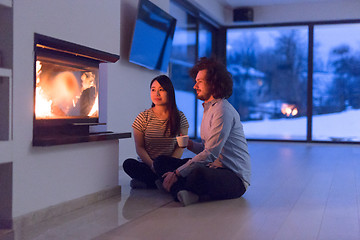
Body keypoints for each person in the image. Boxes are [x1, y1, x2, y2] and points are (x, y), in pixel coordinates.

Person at [153, 57, 251, 206]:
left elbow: (210, 154)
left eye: (199, 82)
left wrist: (178, 173)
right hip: (212, 167)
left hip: (233, 177)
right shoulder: (209, 108)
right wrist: (190, 144)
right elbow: (206, 149)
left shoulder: (222, 110)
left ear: (213, 83)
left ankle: (174, 186)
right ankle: (184, 191)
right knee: (161, 161)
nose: (194, 86)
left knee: (196, 174)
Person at [123, 75, 189, 189]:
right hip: (148, 165)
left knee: (190, 162)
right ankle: (160, 181)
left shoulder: (180, 117)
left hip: (169, 164)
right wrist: (153, 165)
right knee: (128, 164)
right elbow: (139, 148)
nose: (156, 94)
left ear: (170, 92)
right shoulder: (143, 117)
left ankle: (150, 182)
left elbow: (181, 146)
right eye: (153, 90)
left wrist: (169, 165)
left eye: (161, 90)